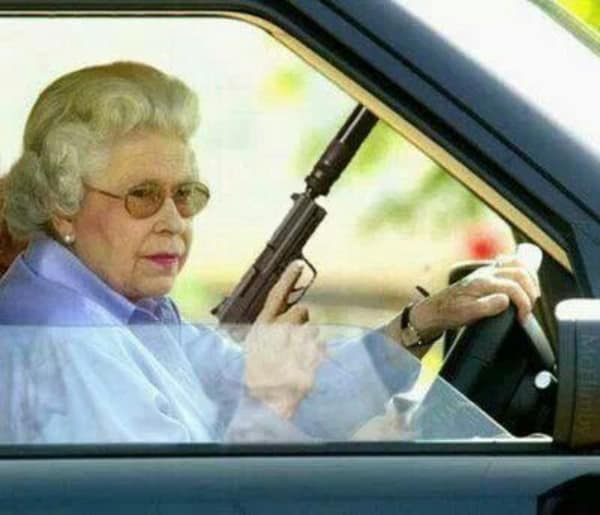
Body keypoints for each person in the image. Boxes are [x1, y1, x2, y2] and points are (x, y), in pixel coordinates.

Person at [0, 62, 540, 444]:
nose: (174, 221)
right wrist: (270, 404)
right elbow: (186, 501)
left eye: (186, 195)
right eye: (142, 195)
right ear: (63, 206)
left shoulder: (129, 310)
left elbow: (291, 395)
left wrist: (422, 322)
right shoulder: (65, 340)